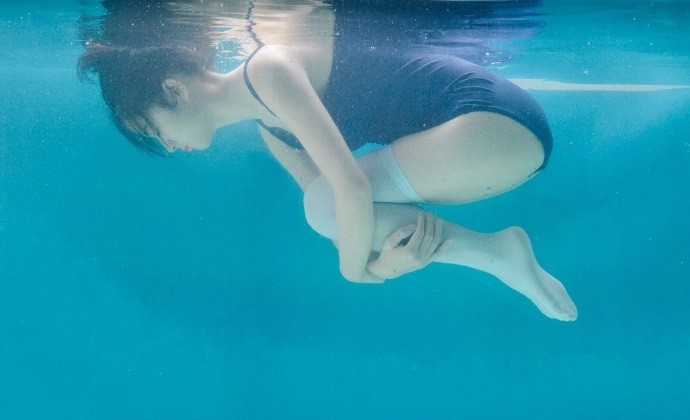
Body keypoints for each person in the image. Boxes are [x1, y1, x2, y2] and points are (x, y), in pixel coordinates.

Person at [78, 0, 577, 321]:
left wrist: (362, 273)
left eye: (153, 129)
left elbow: (349, 193)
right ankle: (496, 254)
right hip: (489, 153)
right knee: (325, 210)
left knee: (325, 202)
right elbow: (345, 219)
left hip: (495, 126)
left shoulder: (270, 67)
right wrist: (387, 259)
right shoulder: (270, 128)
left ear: (172, 88)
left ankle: (496, 256)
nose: (167, 146)